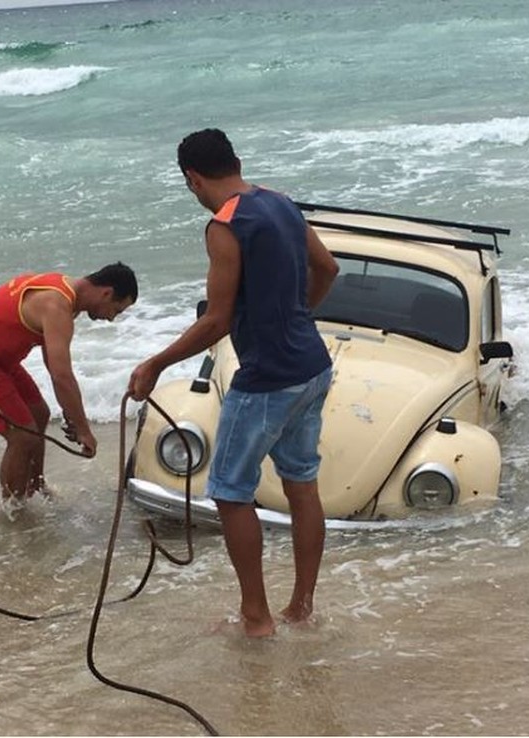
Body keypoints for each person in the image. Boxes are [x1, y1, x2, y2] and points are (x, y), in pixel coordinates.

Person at [128, 129, 340, 637]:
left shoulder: (225, 225)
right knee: (301, 484)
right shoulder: (282, 204)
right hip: (313, 365)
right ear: (237, 162)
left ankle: (256, 618)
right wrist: (294, 319)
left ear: (192, 178)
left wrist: (154, 364)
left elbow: (216, 320)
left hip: (267, 378)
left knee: (229, 491)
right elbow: (328, 268)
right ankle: (301, 608)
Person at [0, 263, 137, 511]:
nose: (111, 318)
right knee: (22, 435)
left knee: (39, 414)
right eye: (116, 311)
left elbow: (51, 362)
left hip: (0, 360)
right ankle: (13, 511)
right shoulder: (56, 305)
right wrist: (84, 429)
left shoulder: (65, 292)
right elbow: (61, 375)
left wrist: (72, 416)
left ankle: (35, 486)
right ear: (106, 293)